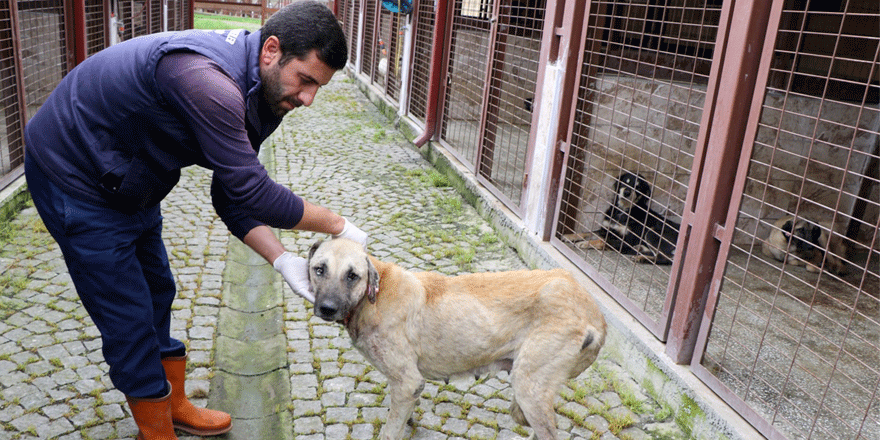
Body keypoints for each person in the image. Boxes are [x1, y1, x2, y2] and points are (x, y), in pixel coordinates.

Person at [23, 2, 365, 438]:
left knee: (158, 289)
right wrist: (337, 225)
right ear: (271, 51)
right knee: (127, 313)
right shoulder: (204, 79)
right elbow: (255, 191)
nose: (308, 98)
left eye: (319, 87)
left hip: (132, 176)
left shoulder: (266, 95)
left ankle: (175, 403)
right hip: (73, 174)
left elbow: (230, 195)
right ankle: (156, 430)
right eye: (306, 80)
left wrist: (281, 260)